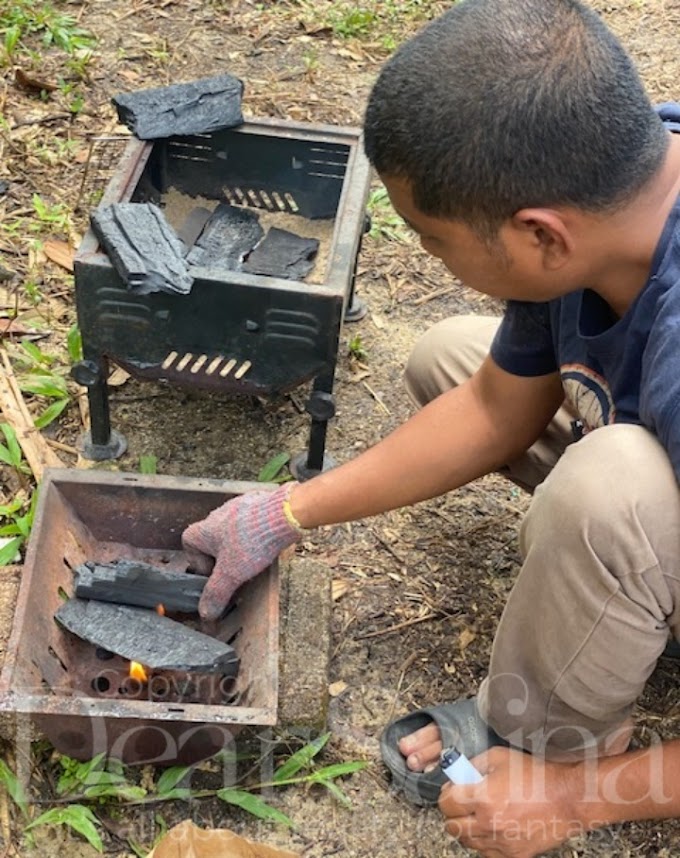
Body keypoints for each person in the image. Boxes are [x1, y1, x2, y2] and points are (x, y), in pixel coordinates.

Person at [182, 0, 680, 855]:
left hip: (641, 454)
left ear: (540, 234)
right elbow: (494, 406)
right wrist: (287, 512)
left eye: (432, 239)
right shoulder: (618, 190)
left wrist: (576, 798)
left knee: (611, 486)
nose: (427, 256)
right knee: (450, 356)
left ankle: (547, 738)